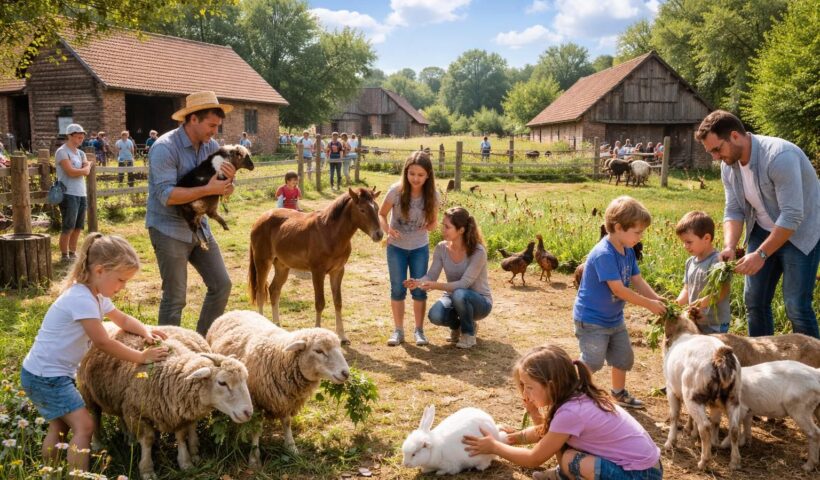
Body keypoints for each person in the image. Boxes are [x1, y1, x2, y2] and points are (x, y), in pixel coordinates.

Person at [20, 233, 169, 473]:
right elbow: (103, 342)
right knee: (85, 426)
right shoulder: (81, 299)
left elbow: (122, 319)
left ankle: (51, 471)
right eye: (120, 280)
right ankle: (76, 476)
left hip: (46, 372)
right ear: (99, 271)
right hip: (46, 377)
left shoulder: (95, 295)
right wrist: (141, 358)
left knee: (60, 424)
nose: (123, 287)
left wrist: (146, 330)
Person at [696, 110, 820, 338]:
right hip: (763, 229)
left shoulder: (779, 157)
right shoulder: (729, 166)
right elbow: (733, 208)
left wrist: (761, 255)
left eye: (716, 149)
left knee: (796, 306)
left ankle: (813, 370)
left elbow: (792, 216)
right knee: (754, 301)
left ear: (735, 136)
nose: (714, 157)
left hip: (801, 233)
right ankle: (764, 365)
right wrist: (730, 246)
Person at [462, 344, 662, 480]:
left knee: (569, 459)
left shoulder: (571, 412)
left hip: (639, 474)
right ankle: (564, 472)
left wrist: (496, 447)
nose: (524, 393)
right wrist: (512, 437)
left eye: (529, 387)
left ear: (551, 385)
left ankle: (563, 473)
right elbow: (549, 433)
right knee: (565, 450)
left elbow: (534, 458)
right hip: (646, 467)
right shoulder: (577, 397)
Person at [146, 91, 236, 335]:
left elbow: (220, 187)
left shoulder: (213, 147)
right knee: (175, 298)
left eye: (218, 126)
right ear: (193, 119)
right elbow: (167, 196)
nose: (215, 132)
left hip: (198, 226)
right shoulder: (164, 148)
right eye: (211, 125)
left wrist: (227, 186)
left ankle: (201, 342)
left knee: (222, 285)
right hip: (168, 228)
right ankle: (169, 356)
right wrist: (207, 188)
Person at [573, 196, 666, 409]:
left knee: (623, 358)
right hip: (591, 319)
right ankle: (574, 390)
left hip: (614, 319)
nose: (640, 236)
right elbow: (619, 289)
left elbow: (637, 280)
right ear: (617, 227)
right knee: (593, 360)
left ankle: (618, 393)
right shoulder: (604, 253)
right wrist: (648, 305)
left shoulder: (628, 251)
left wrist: (656, 299)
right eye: (637, 231)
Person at [405, 206, 491, 349]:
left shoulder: (478, 251)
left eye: (447, 227)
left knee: (459, 293)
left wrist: (435, 285)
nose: (442, 230)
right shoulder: (441, 248)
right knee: (435, 315)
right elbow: (432, 275)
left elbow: (464, 284)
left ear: (461, 230)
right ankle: (459, 326)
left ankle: (468, 334)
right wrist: (418, 282)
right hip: (454, 297)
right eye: (442, 225)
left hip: (480, 303)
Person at [378, 150, 439, 346]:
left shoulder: (433, 195)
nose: (416, 178)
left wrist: (428, 226)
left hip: (419, 247)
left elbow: (434, 223)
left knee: (419, 289)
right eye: (412, 173)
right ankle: (398, 330)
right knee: (397, 288)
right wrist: (388, 229)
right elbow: (381, 214)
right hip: (396, 248)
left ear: (428, 175)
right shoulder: (396, 191)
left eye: (420, 175)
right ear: (406, 172)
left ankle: (419, 331)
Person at [675, 211, 731, 334]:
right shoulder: (690, 262)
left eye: (689, 242)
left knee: (714, 352)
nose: (685, 246)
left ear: (706, 238)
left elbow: (722, 291)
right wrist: (675, 305)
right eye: (683, 242)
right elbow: (687, 289)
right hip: (696, 322)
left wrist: (701, 303)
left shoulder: (718, 261)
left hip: (715, 324)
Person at [55, 124, 91, 262]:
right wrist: (85, 168)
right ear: (69, 136)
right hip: (68, 193)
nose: (81, 137)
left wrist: (83, 170)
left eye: (82, 135)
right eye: (78, 135)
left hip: (81, 193)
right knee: (68, 225)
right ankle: (64, 255)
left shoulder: (80, 153)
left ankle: (73, 252)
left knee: (78, 226)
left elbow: (85, 171)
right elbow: (70, 172)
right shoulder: (62, 152)